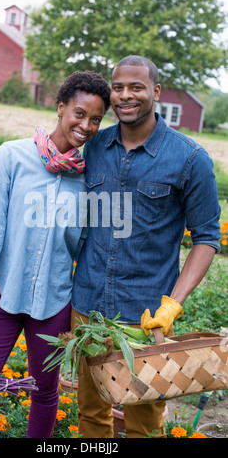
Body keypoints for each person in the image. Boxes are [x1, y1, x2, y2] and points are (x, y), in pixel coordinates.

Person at [71, 55, 221, 438]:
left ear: (155, 91)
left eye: (136, 87)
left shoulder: (189, 158)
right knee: (91, 414)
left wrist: (173, 305)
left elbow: (207, 238)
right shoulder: (96, 146)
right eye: (118, 87)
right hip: (88, 311)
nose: (125, 96)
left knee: (144, 424)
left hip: (145, 317)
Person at [0, 70, 111, 439]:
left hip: (54, 301)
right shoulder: (12, 156)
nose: (86, 125)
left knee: (45, 391)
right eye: (79, 113)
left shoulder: (92, 176)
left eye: (96, 119)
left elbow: (89, 247)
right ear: (60, 108)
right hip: (1, 296)